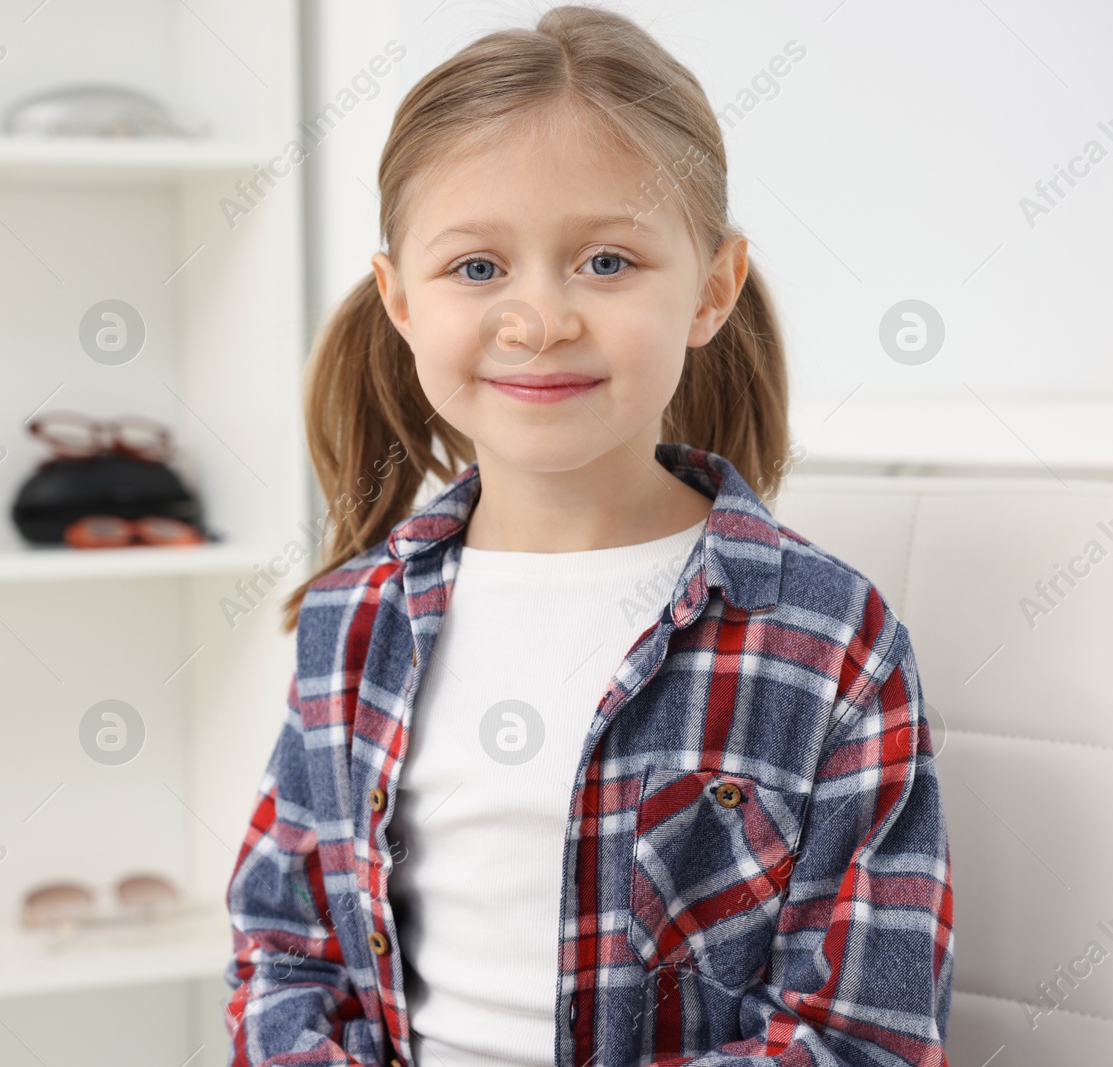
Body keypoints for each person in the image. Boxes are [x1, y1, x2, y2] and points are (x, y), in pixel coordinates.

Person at [221, 7, 954, 1066]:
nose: (540, 317)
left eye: (606, 262)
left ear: (711, 286)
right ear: (399, 299)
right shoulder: (354, 620)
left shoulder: (828, 639)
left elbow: (861, 1038)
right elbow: (283, 953)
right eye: (476, 268)